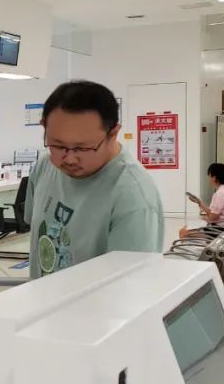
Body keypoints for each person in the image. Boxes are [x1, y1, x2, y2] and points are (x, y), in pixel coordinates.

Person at [25, 80, 164, 279]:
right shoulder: (45, 167)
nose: (69, 158)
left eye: (83, 148)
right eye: (58, 145)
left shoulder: (133, 195)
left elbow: (130, 285)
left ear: (113, 134)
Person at [180, 163, 224, 238]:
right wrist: (199, 203)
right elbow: (213, 213)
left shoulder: (220, 193)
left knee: (183, 232)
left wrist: (206, 219)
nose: (209, 178)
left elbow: (212, 218)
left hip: (221, 230)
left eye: (209, 176)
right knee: (189, 227)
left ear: (214, 177)